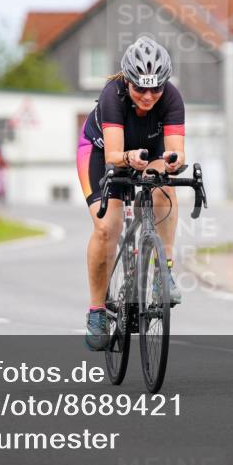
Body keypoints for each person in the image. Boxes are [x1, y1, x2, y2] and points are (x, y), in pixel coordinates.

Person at [76, 36, 185, 351]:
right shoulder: (113, 95)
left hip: (148, 153)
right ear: (127, 80)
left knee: (164, 186)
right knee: (107, 228)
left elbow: (176, 152)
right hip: (101, 155)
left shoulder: (172, 98)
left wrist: (173, 162)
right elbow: (113, 155)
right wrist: (128, 159)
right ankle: (97, 311)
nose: (149, 96)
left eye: (156, 88)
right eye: (141, 88)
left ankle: (163, 272)